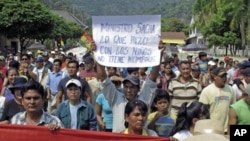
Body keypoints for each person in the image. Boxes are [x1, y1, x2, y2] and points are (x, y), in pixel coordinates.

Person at [94, 41, 164, 132]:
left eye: (132, 87)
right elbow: (104, 78)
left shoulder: (144, 99)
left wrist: (159, 55)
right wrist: (97, 53)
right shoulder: (116, 99)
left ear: (138, 89)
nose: (128, 90)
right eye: (126, 87)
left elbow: (153, 77)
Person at [199, 67, 236, 133]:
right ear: (215, 77)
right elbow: (203, 113)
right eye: (222, 76)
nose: (224, 78)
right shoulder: (207, 91)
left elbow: (233, 109)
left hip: (226, 130)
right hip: (212, 130)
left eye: (225, 76)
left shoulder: (230, 90)